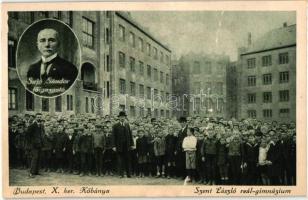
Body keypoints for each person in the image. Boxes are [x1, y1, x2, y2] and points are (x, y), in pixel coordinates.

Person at [26, 28, 78, 92]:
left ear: (58, 44)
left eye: (51, 40)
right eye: (42, 40)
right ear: (37, 45)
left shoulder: (69, 68)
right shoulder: (32, 69)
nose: (47, 45)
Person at [111, 111, 134, 178]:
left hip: (127, 146)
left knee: (127, 160)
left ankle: (128, 174)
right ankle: (120, 174)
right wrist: (114, 146)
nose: (122, 118)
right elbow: (113, 137)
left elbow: (130, 135)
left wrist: (132, 144)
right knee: (120, 161)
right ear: (119, 118)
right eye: (121, 117)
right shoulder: (115, 126)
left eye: (123, 117)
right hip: (119, 146)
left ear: (125, 117)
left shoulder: (127, 125)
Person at [27, 113, 44, 178]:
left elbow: (42, 135)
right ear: (36, 118)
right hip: (34, 145)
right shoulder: (32, 126)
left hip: (40, 145)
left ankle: (36, 171)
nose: (39, 118)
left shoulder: (42, 125)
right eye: (38, 117)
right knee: (34, 158)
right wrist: (32, 142)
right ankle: (31, 173)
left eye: (40, 117)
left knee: (39, 158)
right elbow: (28, 135)